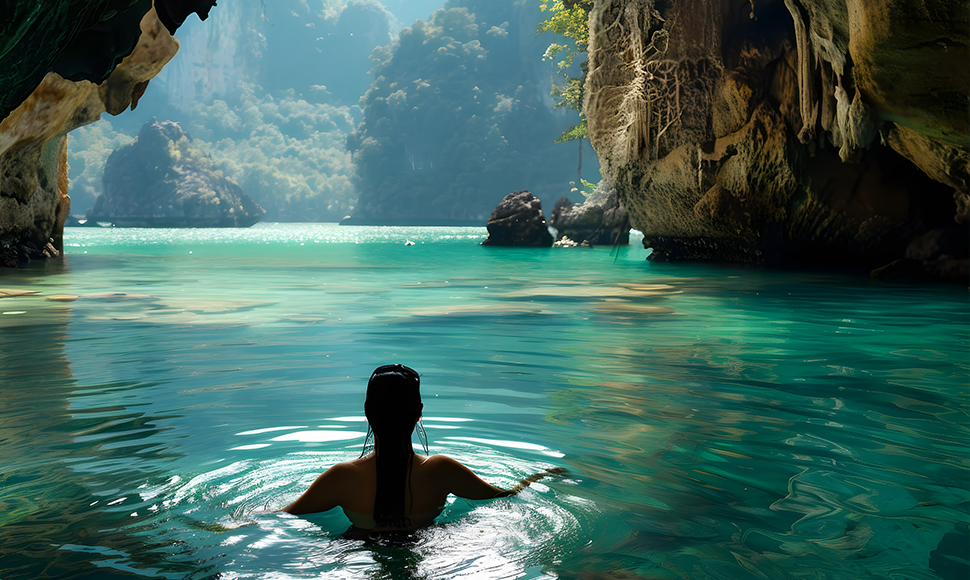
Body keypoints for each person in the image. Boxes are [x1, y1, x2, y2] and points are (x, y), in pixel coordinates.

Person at [284, 364, 564, 531]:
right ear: (419, 412)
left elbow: (279, 518)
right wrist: (539, 477)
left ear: (367, 412)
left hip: (356, 551)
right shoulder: (442, 470)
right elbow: (505, 497)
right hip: (430, 545)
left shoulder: (341, 477)